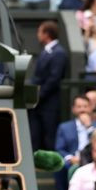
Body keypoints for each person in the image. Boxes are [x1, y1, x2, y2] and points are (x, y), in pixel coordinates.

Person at [28, 21, 67, 152]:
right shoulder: (46, 51)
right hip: (39, 104)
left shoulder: (59, 53)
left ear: (47, 34)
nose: (38, 35)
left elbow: (54, 78)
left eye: (40, 32)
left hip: (49, 103)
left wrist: (39, 95)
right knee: (36, 135)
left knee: (49, 136)